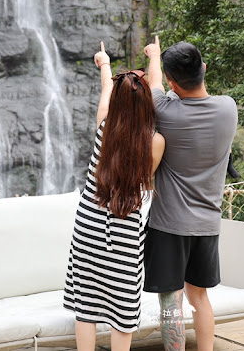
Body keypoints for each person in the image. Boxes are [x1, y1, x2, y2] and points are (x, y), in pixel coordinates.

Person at [64, 42, 165, 351]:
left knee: (87, 308)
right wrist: (155, 57)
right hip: (124, 232)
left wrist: (105, 63)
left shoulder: (104, 127)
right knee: (122, 312)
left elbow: (108, 91)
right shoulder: (155, 142)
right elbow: (157, 88)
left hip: (89, 226)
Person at [143, 36, 238, 351]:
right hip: (208, 224)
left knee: (171, 300)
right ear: (204, 68)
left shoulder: (165, 111)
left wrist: (154, 55)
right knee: (200, 296)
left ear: (172, 81)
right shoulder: (228, 108)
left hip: (169, 225)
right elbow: (166, 86)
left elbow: (154, 84)